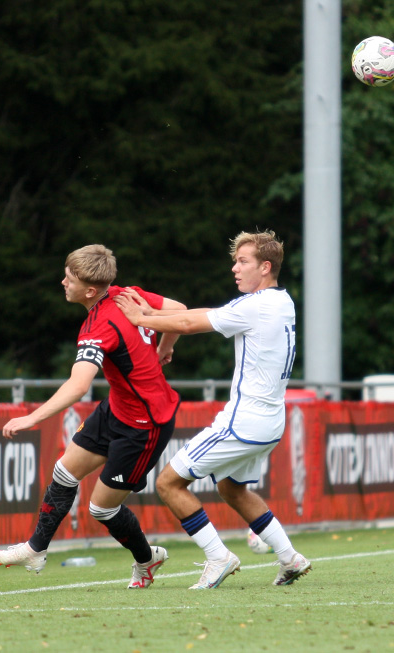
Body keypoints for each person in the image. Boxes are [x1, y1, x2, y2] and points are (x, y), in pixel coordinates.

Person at [114, 230, 311, 589]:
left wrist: (143, 318)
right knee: (232, 490)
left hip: (244, 422)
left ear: (265, 267)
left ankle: (218, 557)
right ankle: (290, 558)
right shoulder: (283, 301)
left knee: (169, 483)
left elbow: (190, 322)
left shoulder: (255, 305)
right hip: (270, 421)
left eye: (243, 262)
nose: (235, 269)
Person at [0, 244, 184, 589]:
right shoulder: (129, 294)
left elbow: (78, 387)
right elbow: (178, 310)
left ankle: (147, 559)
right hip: (117, 407)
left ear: (90, 291)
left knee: (101, 510)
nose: (62, 282)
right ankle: (35, 549)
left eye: (68, 278)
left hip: (146, 423)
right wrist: (166, 345)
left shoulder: (97, 327)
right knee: (64, 472)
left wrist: (31, 418)